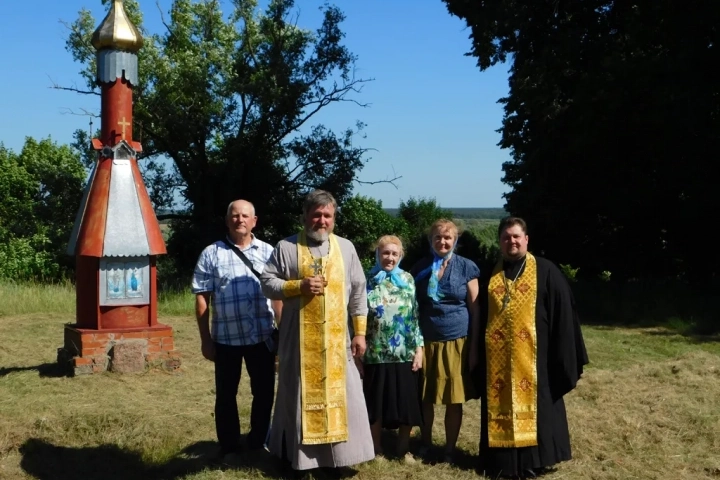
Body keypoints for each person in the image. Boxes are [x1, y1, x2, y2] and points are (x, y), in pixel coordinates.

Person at [259, 189, 375, 473]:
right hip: (299, 344)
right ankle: (300, 459)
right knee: (297, 396)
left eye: (327, 215)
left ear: (334, 218)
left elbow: (359, 292)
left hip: (338, 344)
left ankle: (339, 458)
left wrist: (359, 333)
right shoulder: (286, 247)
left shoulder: (346, 248)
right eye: (316, 215)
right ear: (305, 216)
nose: (321, 221)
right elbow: (266, 282)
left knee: (344, 397)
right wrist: (297, 286)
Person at [477, 217, 589, 479]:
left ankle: (534, 461)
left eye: (516, 236)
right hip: (499, 361)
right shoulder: (491, 273)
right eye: (506, 237)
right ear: (500, 241)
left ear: (527, 239)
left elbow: (563, 314)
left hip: (537, 359)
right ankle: (500, 460)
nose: (511, 242)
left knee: (538, 407)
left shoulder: (546, 271)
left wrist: (561, 354)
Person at [191, 199, 282, 461]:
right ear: (227, 219)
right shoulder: (211, 253)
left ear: (254, 221)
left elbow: (278, 295)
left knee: (264, 392)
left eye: (245, 216)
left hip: (262, 337)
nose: (239, 219)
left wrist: (282, 331)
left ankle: (258, 440)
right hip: (225, 338)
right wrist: (205, 339)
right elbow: (201, 298)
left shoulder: (269, 252)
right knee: (226, 395)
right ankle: (229, 445)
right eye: (234, 215)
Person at [410, 219, 480, 463]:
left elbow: (475, 308)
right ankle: (426, 442)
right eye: (438, 237)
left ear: (455, 240)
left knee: (453, 398)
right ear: (431, 240)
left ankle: (450, 448)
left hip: (457, 342)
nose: (442, 241)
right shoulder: (420, 268)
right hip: (426, 341)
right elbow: (412, 306)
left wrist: (473, 347)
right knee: (425, 396)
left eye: (447, 237)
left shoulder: (467, 267)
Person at [362, 235, 424, 462]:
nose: (389, 258)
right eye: (385, 253)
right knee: (375, 403)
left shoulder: (408, 279)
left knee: (406, 403)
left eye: (394, 254)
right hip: (375, 351)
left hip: (404, 352)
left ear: (401, 256)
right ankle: (375, 448)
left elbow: (414, 315)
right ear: (377, 254)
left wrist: (420, 348)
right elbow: (356, 314)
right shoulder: (366, 278)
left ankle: (404, 448)